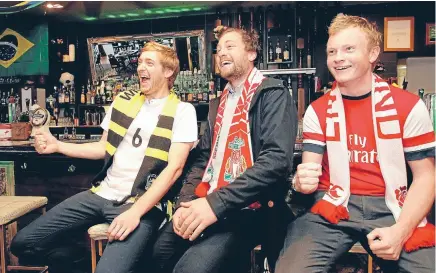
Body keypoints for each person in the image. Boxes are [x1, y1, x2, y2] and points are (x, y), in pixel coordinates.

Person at [11, 41, 198, 273]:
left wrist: (134, 214)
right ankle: (84, 263)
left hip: (139, 202)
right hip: (100, 194)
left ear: (169, 71)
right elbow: (103, 148)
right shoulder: (124, 101)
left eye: (149, 63)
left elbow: (174, 170)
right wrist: (57, 146)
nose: (141, 68)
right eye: (140, 62)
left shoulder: (182, 111)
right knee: (23, 243)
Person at [276, 14, 435, 273]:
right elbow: (308, 176)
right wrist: (299, 182)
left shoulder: (409, 107)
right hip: (333, 205)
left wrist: (401, 231)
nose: (338, 57)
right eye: (332, 51)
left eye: (349, 49)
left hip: (392, 206)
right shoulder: (318, 110)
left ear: (373, 53)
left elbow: (426, 177)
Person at [152, 27, 297, 273]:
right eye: (218, 50)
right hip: (208, 198)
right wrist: (185, 204)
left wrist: (214, 205)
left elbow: (276, 161)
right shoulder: (218, 103)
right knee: (157, 255)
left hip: (252, 208)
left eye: (230, 46)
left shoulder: (273, 94)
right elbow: (203, 160)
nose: (221, 54)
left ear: (251, 53)